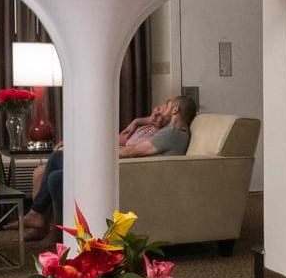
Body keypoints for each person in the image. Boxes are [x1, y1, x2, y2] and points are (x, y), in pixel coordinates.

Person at [21, 94, 198, 241]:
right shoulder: (169, 132)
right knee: (58, 158)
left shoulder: (173, 133)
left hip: (129, 177)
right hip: (128, 171)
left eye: (167, 106)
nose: (162, 109)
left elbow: (133, 152)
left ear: (175, 110)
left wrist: (92, 155)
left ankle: (64, 233)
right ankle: (40, 215)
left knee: (57, 178)